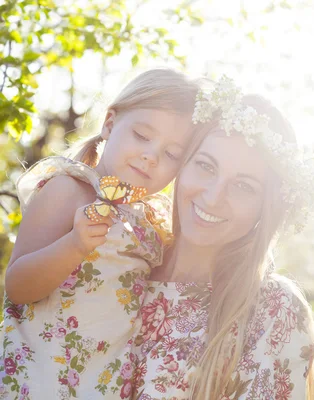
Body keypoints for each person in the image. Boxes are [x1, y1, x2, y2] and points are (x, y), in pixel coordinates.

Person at [1, 69, 200, 399]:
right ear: (109, 123)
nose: (150, 156)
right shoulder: (69, 189)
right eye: (142, 135)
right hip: (41, 375)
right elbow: (18, 286)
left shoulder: (153, 220)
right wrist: (74, 244)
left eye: (171, 154)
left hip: (104, 383)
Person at [130, 77, 314, 400]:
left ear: (266, 208)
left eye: (243, 186)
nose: (212, 196)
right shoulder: (120, 257)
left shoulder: (272, 311)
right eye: (206, 166)